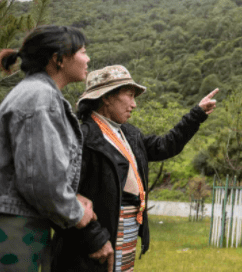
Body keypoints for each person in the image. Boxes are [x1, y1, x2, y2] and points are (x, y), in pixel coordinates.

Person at [50, 65, 218, 272]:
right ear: (107, 97)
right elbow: (61, 198)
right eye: (129, 96)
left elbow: (164, 146)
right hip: (92, 246)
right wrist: (94, 238)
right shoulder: (81, 138)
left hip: (125, 238)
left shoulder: (129, 135)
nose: (134, 104)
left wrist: (197, 114)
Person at [0, 25, 97, 271]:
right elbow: (40, 181)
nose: (88, 58)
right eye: (83, 51)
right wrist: (76, 212)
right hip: (15, 229)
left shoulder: (36, 93)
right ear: (59, 60)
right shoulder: (40, 98)